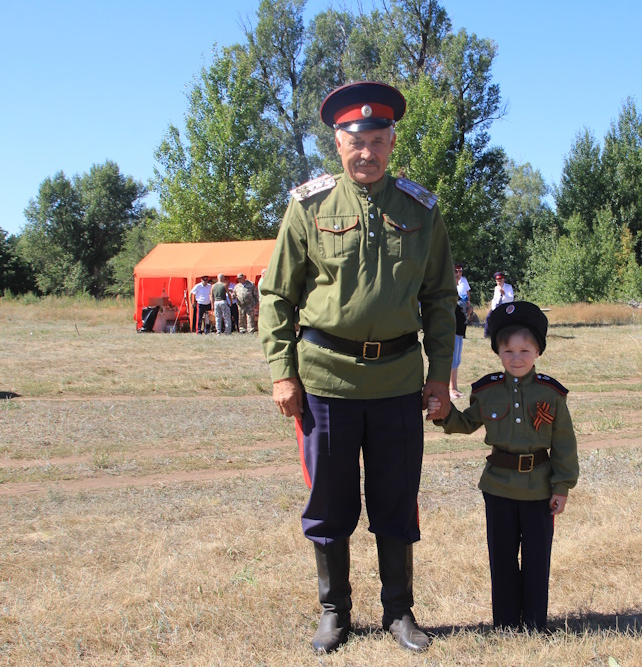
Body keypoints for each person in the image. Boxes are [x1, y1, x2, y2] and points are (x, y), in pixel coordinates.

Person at [258, 81, 455, 654]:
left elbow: (441, 300)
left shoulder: (420, 211)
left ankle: (399, 613)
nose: (365, 152)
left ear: (392, 142)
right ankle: (334, 612)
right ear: (337, 145)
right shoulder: (309, 207)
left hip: (397, 382)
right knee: (330, 501)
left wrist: (439, 375)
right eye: (354, 141)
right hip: (323, 382)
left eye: (376, 140)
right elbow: (276, 295)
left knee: (396, 499)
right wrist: (282, 371)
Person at [428, 301, 578, 632]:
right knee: (503, 559)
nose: (516, 357)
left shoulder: (551, 394)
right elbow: (465, 423)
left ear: (538, 350)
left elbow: (564, 443)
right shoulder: (487, 390)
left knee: (537, 560)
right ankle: (506, 624)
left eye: (525, 349)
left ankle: (536, 623)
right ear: (498, 352)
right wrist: (442, 414)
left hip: (539, 489)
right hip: (497, 488)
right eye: (508, 350)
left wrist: (562, 486)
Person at [451, 264, 471, 399]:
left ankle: (454, 387)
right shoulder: (447, 293)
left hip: (459, 330)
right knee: (452, 360)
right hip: (451, 330)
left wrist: (469, 310)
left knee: (456, 360)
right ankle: (451, 388)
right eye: (455, 273)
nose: (458, 275)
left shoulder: (455, 292)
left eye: (459, 272)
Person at [485, 271, 514, 337]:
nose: (499, 281)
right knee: (488, 317)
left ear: (503, 279)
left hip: (505, 305)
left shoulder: (508, 287)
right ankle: (487, 334)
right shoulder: (496, 288)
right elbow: (495, 299)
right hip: (497, 305)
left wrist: (504, 293)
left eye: (500, 279)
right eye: (497, 280)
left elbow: (511, 299)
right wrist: (493, 308)